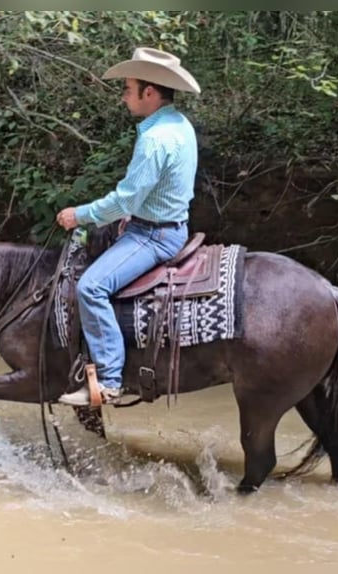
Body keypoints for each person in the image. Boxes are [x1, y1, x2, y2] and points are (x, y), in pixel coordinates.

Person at [56, 47, 201, 406]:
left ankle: (108, 381)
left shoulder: (154, 139)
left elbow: (126, 200)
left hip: (153, 235)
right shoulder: (178, 123)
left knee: (90, 287)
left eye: (128, 88)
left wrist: (81, 214)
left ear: (149, 93)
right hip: (165, 223)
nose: (124, 96)